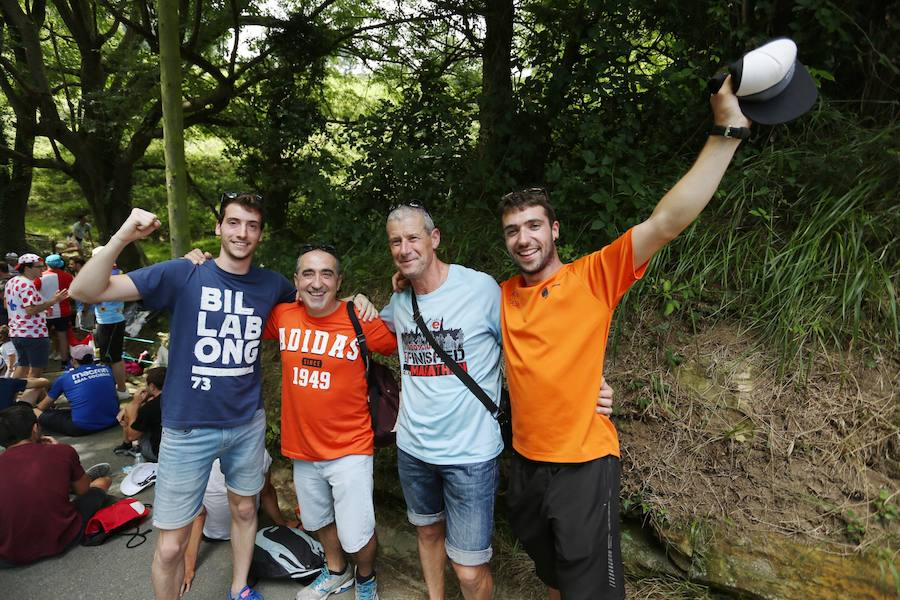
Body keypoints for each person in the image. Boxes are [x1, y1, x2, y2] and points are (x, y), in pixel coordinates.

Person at [497, 77, 751, 600]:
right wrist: (401, 281)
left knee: (591, 589)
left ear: (555, 230)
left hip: (584, 465)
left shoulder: (593, 277)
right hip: (524, 461)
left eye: (534, 226)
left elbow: (666, 222)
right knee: (552, 574)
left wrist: (726, 130)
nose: (524, 238)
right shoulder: (497, 294)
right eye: (513, 230)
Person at [69, 193, 297, 600]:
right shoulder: (183, 273)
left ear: (261, 234)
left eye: (252, 225)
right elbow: (84, 291)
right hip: (187, 427)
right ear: (218, 227)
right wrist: (123, 234)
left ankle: (239, 588)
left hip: (246, 423)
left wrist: (360, 304)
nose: (242, 232)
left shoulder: (272, 284)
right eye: (233, 222)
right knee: (172, 544)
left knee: (246, 510)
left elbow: (319, 303)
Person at [262, 245, 397, 600]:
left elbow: (404, 345)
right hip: (302, 448)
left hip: (350, 447)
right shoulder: (283, 316)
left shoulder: (359, 318)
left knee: (357, 531)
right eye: (308, 273)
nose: (317, 283)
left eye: (326, 274)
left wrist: (368, 300)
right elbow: (242, 304)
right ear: (296, 281)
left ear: (339, 281)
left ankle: (365, 578)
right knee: (317, 519)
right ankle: (336, 571)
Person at [0, 404, 112, 566]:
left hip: (8, 554)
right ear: (34, 428)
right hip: (62, 536)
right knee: (103, 482)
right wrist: (58, 449)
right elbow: (83, 490)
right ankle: (79, 476)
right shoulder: (61, 451)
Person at [181, 452, 300, 596]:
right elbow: (266, 492)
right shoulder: (258, 453)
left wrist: (189, 565)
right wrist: (283, 525)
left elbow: (199, 515)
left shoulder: (196, 460)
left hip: (211, 532)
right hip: (248, 526)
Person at [3, 253, 68, 379]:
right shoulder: (27, 284)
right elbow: (31, 310)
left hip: (16, 332)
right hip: (33, 333)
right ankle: (28, 398)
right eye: (39, 267)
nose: (42, 269)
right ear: (27, 268)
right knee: (36, 372)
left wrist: (42, 307)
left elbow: (7, 305)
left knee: (22, 366)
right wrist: (54, 300)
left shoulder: (11, 282)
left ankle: (9, 395)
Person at [35, 343, 119, 436]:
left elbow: (42, 406)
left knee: (35, 412)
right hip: (112, 420)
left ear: (73, 360)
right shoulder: (107, 370)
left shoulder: (65, 378)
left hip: (81, 427)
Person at [91, 246, 129, 399]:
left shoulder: (107, 275)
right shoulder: (116, 273)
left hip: (111, 321)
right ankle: (116, 386)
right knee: (109, 356)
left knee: (113, 357)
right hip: (108, 319)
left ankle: (122, 390)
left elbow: (96, 296)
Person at [115, 366, 166, 460]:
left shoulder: (149, 407)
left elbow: (132, 436)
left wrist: (134, 405)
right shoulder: (176, 398)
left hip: (159, 454)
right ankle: (126, 445)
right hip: (180, 448)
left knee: (130, 410)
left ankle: (127, 445)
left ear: (152, 386)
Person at [39, 253, 75, 367]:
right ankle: (64, 362)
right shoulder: (68, 276)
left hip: (44, 311)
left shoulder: (39, 277)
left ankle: (40, 364)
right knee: (62, 336)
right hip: (63, 312)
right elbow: (72, 293)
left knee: (43, 337)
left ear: (46, 264)